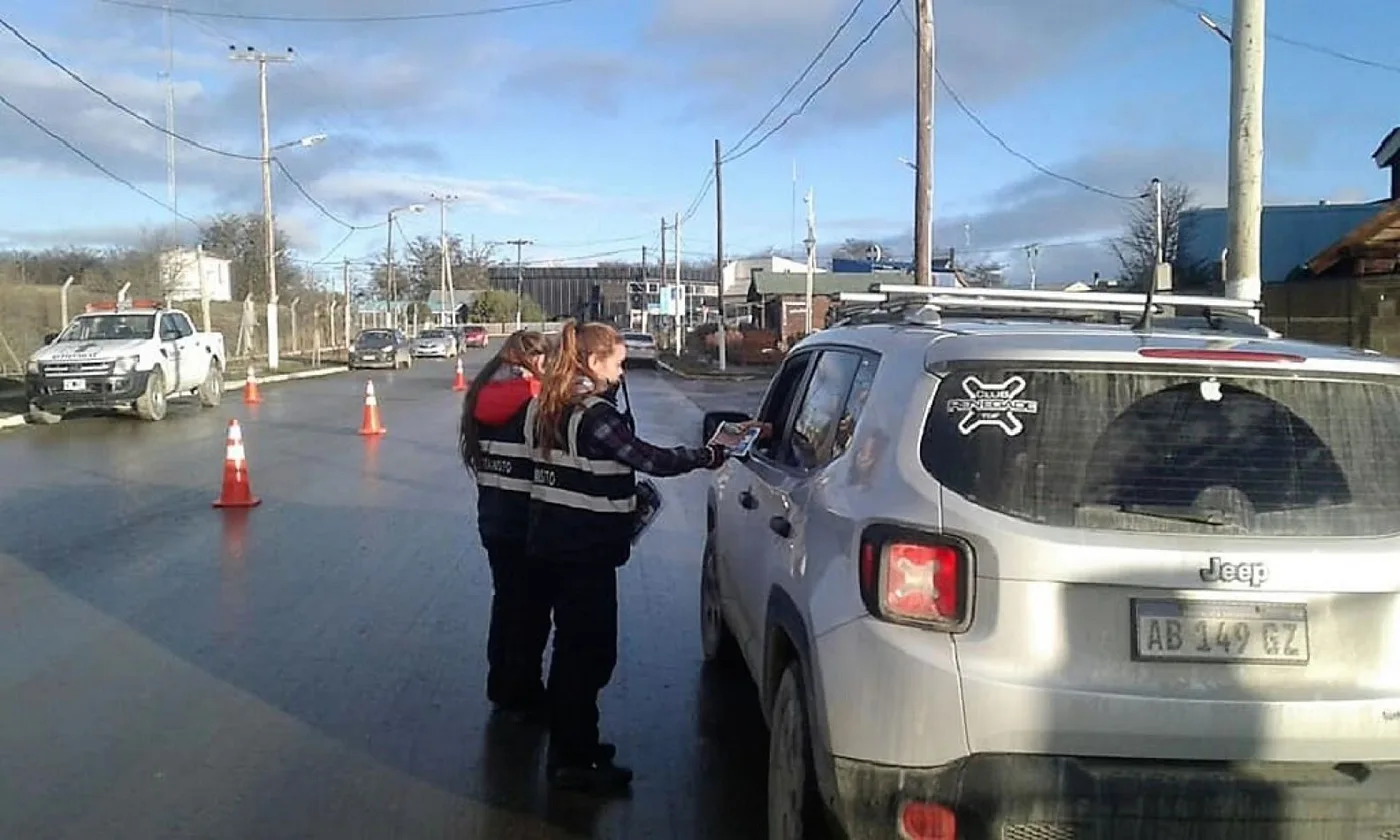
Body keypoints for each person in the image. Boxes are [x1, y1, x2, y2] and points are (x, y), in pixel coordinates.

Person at [526, 320, 728, 793]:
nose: (621, 374)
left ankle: (574, 745)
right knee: (589, 656)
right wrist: (709, 455)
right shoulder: (594, 413)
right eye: (616, 363)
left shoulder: (545, 405)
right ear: (593, 363)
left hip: (554, 544)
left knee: (574, 652)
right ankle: (573, 761)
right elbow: (648, 458)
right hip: (586, 551)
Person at [458, 329, 552, 721]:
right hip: (528, 520)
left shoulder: (480, 395)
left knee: (506, 602)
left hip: (493, 516)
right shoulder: (533, 400)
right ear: (535, 360)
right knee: (531, 612)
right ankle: (524, 691)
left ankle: (501, 684)